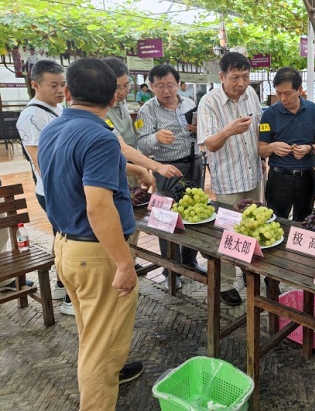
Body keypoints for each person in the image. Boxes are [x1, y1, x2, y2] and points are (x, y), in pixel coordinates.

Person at [38, 58, 141, 411]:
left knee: (91, 336)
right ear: (113, 99)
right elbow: (99, 207)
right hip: (97, 255)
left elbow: (74, 170)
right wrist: (124, 263)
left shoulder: (52, 130)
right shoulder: (100, 137)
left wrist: (135, 167)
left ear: (67, 93)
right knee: (103, 351)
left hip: (66, 248)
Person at [199, 52, 262, 306]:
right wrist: (229, 130)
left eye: (245, 77)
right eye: (235, 77)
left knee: (253, 226)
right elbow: (209, 144)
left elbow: (260, 129)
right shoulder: (209, 102)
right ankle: (226, 282)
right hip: (228, 178)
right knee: (228, 232)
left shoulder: (252, 95)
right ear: (222, 76)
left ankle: (249, 269)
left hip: (254, 175)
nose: (241, 83)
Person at [136, 64, 200, 291]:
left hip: (194, 165)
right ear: (152, 86)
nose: (166, 90)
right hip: (165, 171)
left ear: (178, 84)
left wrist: (196, 129)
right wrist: (155, 137)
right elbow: (140, 143)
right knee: (166, 220)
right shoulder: (147, 110)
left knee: (194, 215)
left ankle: (190, 261)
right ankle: (170, 270)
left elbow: (199, 132)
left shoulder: (190, 103)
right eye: (160, 86)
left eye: (170, 85)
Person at [16, 60, 71, 313]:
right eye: (53, 85)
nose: (60, 90)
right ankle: (71, 298)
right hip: (53, 191)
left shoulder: (59, 109)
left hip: (63, 188)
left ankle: (61, 285)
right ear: (35, 84)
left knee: (62, 238)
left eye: (62, 84)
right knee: (69, 240)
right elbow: (41, 163)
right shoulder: (30, 116)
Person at [259, 67, 315, 221]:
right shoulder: (269, 114)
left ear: (299, 90)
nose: (282, 98)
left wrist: (309, 149)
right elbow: (261, 149)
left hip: (306, 177)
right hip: (279, 178)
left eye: (287, 93)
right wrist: (272, 147)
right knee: (276, 222)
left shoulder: (313, 111)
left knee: (304, 223)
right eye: (278, 93)